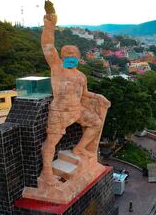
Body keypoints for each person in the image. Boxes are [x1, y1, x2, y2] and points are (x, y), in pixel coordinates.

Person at [39, 10, 110, 185]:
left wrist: (98, 96)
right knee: (51, 142)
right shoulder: (57, 68)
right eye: (67, 54)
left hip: (77, 110)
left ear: (78, 57)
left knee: (95, 122)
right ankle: (47, 174)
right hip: (60, 111)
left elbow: (84, 93)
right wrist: (49, 26)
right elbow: (47, 45)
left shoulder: (81, 76)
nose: (70, 56)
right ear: (62, 56)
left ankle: (79, 148)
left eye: (73, 54)